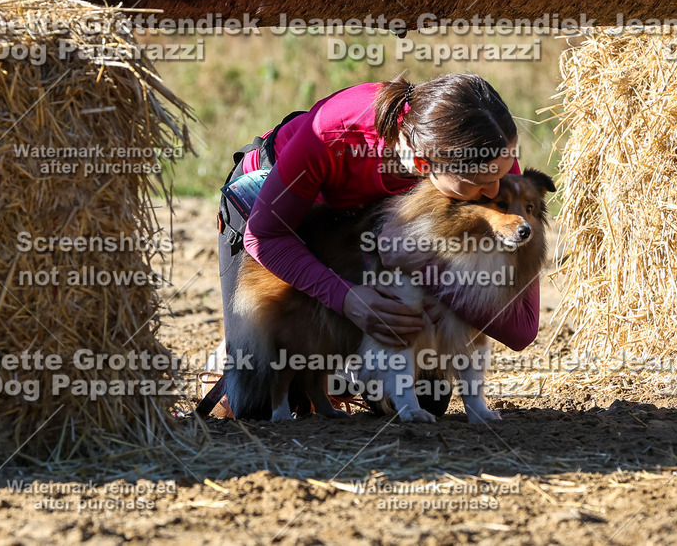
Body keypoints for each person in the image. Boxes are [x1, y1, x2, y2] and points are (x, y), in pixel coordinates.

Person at [213, 73, 540, 418]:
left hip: (358, 244)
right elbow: (266, 237)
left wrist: (420, 266)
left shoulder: (490, 158)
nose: (496, 193)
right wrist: (347, 300)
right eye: (482, 184)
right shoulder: (332, 133)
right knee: (256, 406)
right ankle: (260, 342)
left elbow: (521, 329)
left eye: (502, 176)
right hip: (282, 221)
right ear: (424, 166)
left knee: (427, 401)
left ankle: (348, 362)